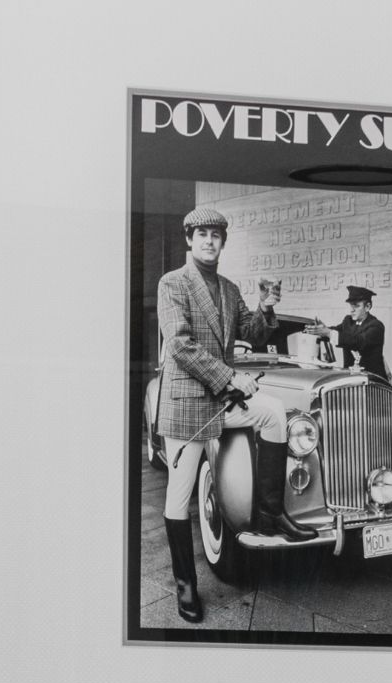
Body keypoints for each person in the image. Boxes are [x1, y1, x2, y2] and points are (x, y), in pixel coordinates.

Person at [154, 204, 255, 623]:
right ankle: (185, 588)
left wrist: (266, 309)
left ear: (222, 242)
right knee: (179, 497)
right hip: (188, 405)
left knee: (271, 417)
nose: (210, 241)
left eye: (216, 235)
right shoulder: (172, 283)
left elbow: (249, 330)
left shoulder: (229, 289)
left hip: (220, 403)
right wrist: (230, 378)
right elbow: (179, 344)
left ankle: (271, 513)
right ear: (190, 240)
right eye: (202, 234)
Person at [335, 285, 388, 380]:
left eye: (356, 306)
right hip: (351, 380)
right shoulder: (348, 321)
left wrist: (328, 333)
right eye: (351, 305)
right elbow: (335, 330)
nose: (351, 310)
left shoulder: (376, 326)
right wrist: (319, 329)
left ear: (367, 307)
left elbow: (358, 341)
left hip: (373, 383)